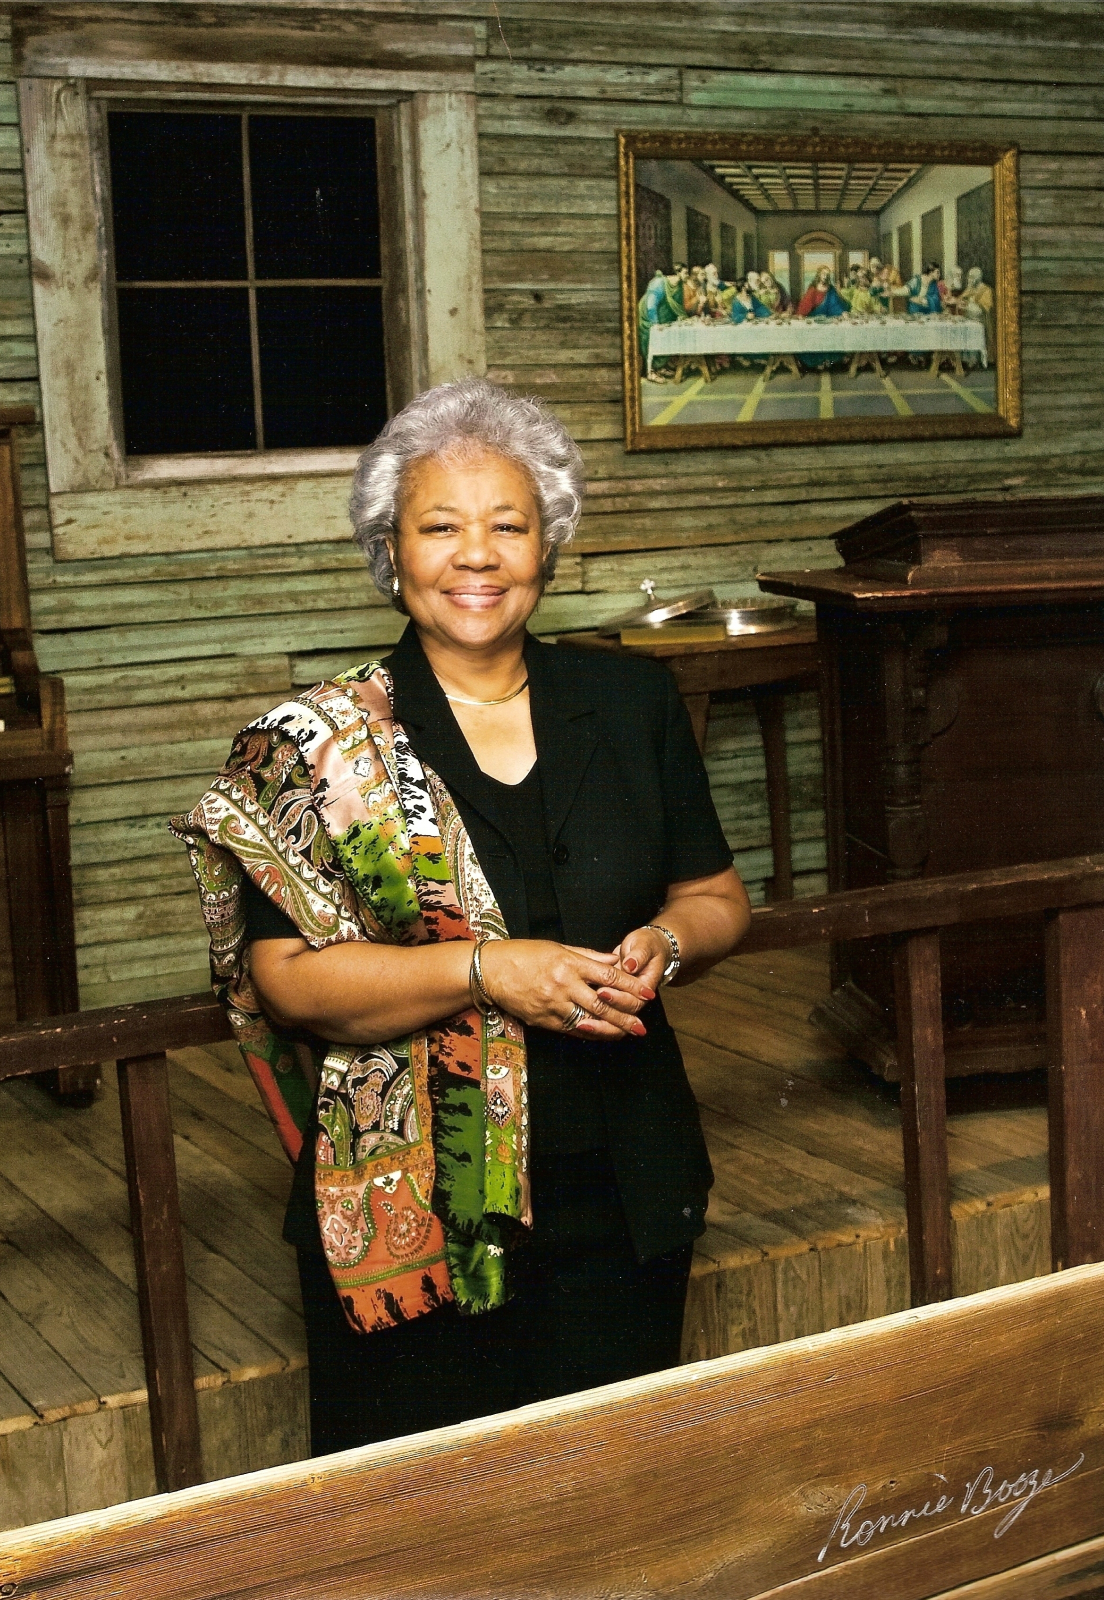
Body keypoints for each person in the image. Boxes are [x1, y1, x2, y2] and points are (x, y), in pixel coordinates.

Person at [172, 379, 751, 1457]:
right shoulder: (312, 747)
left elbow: (715, 898)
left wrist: (665, 946)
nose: (475, 555)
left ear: (549, 544)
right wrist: (487, 969)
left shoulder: (631, 704)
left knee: (609, 1503)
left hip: (624, 1184)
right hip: (416, 1216)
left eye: (507, 525)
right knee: (423, 1525)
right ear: (392, 552)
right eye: (440, 527)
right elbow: (289, 980)